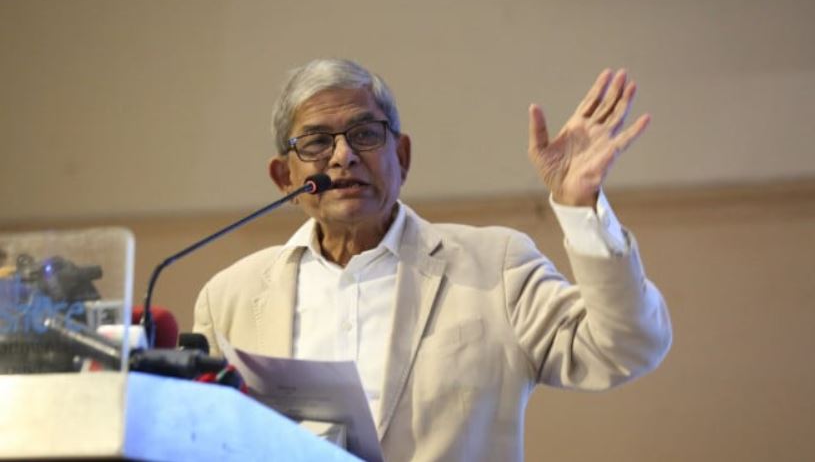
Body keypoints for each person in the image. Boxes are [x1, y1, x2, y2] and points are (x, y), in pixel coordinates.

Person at [193, 58, 672, 461]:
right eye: (317, 142)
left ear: (402, 157)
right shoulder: (230, 298)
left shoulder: (495, 266)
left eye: (365, 134)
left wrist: (581, 209)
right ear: (284, 178)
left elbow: (627, 347)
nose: (343, 156)